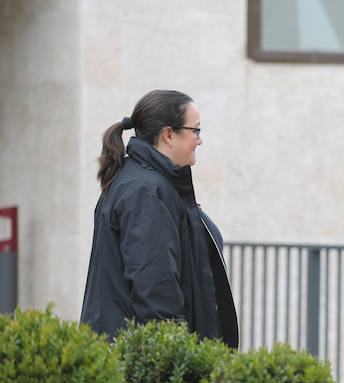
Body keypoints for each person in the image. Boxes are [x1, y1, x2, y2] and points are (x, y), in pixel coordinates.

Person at [81, 90, 238, 348]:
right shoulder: (146, 192)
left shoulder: (149, 184)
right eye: (195, 130)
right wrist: (175, 359)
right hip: (141, 367)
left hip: (134, 357)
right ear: (168, 135)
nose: (200, 140)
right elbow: (155, 291)